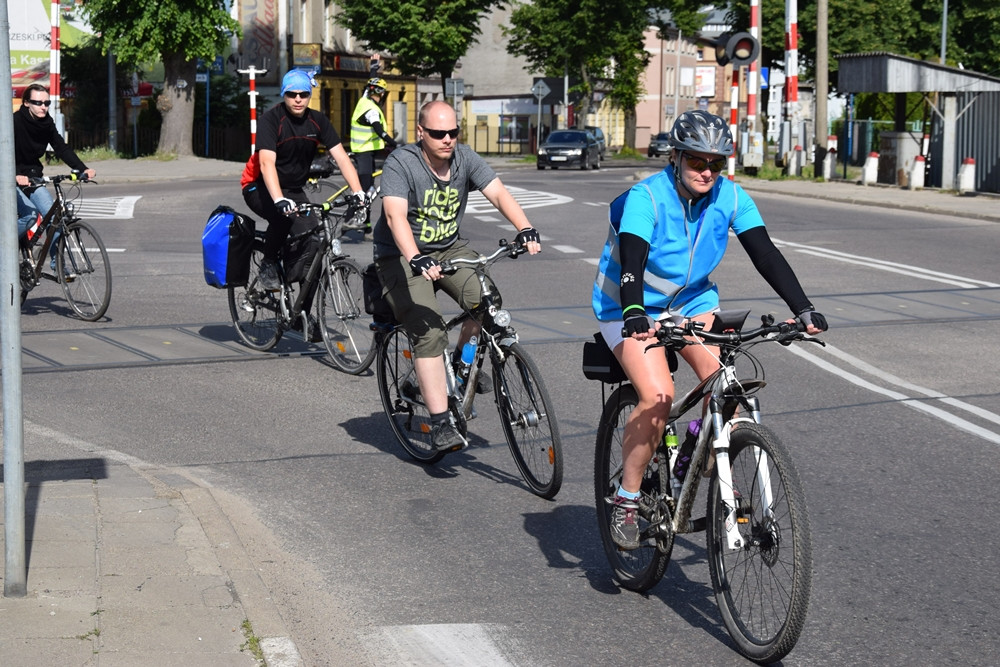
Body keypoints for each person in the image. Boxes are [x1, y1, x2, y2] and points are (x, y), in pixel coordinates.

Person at [592, 110, 828, 550]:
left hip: (692, 303)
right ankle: (626, 499)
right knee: (658, 396)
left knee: (727, 389)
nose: (707, 171)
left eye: (716, 163)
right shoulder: (646, 198)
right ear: (677, 157)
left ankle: (709, 455)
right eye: (698, 161)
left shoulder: (731, 198)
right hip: (627, 308)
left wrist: (803, 308)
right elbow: (632, 263)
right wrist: (635, 313)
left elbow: (766, 254)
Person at [372, 100, 542, 454]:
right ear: (421, 133)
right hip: (401, 255)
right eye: (438, 133)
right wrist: (415, 256)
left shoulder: (464, 158)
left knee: (488, 304)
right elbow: (394, 217)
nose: (447, 139)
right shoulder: (402, 163)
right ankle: (440, 423)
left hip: (449, 248)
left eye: (453, 132)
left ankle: (461, 369)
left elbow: (496, 191)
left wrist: (524, 227)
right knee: (429, 331)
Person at [240, 69, 366, 338]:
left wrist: (359, 193)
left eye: (303, 94)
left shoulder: (317, 121)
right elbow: (266, 164)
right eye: (291, 94)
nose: (298, 99)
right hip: (259, 186)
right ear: (284, 94)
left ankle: (301, 313)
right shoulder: (271, 120)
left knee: (315, 241)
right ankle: (268, 263)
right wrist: (278, 199)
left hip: (293, 188)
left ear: (310, 95)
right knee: (282, 217)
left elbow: (343, 159)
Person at [14, 84, 96, 268]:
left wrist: (82, 168)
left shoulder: (46, 122)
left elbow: (61, 147)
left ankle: (56, 262)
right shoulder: (15, 122)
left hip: (33, 177)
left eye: (46, 103)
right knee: (30, 216)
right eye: (38, 102)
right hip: (11, 178)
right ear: (27, 103)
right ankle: (6, 246)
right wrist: (15, 175)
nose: (43, 106)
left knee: (55, 220)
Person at [349, 77, 397, 235]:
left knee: (369, 188)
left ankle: (366, 223)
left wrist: (374, 69)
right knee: (363, 190)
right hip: (363, 153)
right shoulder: (371, 110)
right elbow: (379, 130)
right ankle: (349, 220)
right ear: (382, 93)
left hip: (367, 152)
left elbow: (368, 86)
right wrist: (394, 143)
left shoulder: (364, 100)